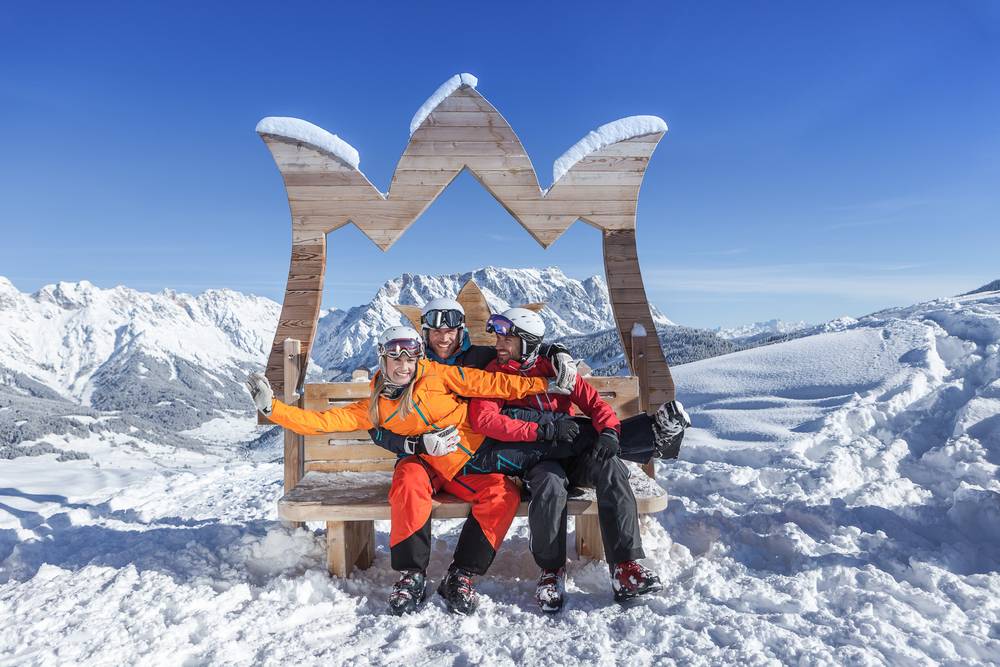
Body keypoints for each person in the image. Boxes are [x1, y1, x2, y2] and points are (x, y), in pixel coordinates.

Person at [244, 325, 568, 616]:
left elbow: (493, 383)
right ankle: (412, 576)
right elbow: (321, 422)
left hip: (466, 464)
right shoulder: (376, 405)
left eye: (409, 359)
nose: (403, 366)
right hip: (425, 464)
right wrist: (273, 409)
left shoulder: (438, 375)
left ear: (418, 358)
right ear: (383, 360)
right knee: (408, 479)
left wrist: (547, 381)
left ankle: (462, 575)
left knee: (503, 494)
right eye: (395, 359)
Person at [465, 308, 690, 611]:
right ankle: (551, 571)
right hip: (538, 457)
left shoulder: (556, 369)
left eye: (507, 339)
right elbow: (485, 421)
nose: (499, 344)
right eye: (498, 338)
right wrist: (541, 430)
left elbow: (595, 405)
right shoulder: (494, 373)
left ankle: (625, 567)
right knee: (549, 484)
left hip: (573, 452)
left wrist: (609, 433)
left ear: (527, 342)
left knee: (611, 467)